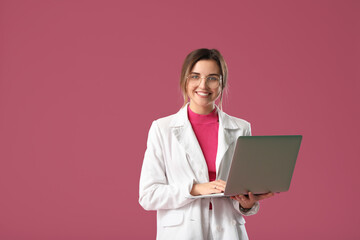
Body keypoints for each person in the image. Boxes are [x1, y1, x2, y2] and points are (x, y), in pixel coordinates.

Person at [139, 48, 274, 240]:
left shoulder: (241, 128)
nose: (203, 85)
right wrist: (196, 189)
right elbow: (148, 196)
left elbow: (240, 191)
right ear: (185, 80)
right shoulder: (162, 128)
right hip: (182, 233)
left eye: (212, 78)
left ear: (221, 84)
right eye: (195, 76)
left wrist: (247, 203)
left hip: (228, 231)